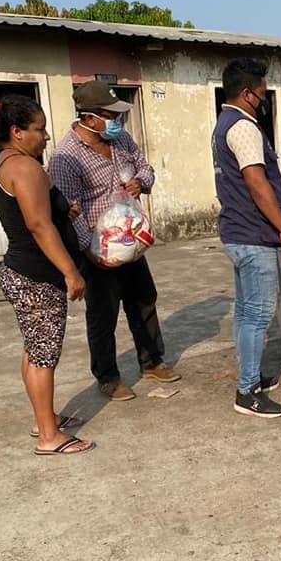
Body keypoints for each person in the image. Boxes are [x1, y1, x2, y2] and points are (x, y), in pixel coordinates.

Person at [48, 81, 180, 401]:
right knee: (103, 314)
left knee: (144, 300)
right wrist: (88, 252)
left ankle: (152, 362)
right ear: (89, 117)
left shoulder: (120, 139)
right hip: (97, 248)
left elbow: (145, 168)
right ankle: (108, 377)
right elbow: (69, 210)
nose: (116, 121)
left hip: (132, 240)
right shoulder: (66, 157)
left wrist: (140, 183)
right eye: (110, 115)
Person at [0, 94, 94, 455]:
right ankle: (48, 436)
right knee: (44, 355)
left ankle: (44, 419)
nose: (45, 137)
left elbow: (39, 212)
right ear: (17, 132)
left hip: (22, 271)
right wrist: (71, 272)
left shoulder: (3, 164)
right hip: (36, 277)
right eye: (39, 130)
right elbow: (38, 225)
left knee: (34, 349)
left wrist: (64, 211)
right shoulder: (23, 167)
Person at [212, 58, 281, 418]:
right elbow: (257, 184)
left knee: (247, 313)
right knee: (258, 315)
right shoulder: (243, 128)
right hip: (254, 235)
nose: (264, 100)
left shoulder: (223, 125)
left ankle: (251, 378)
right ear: (247, 94)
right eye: (262, 94)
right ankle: (247, 392)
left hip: (239, 232)